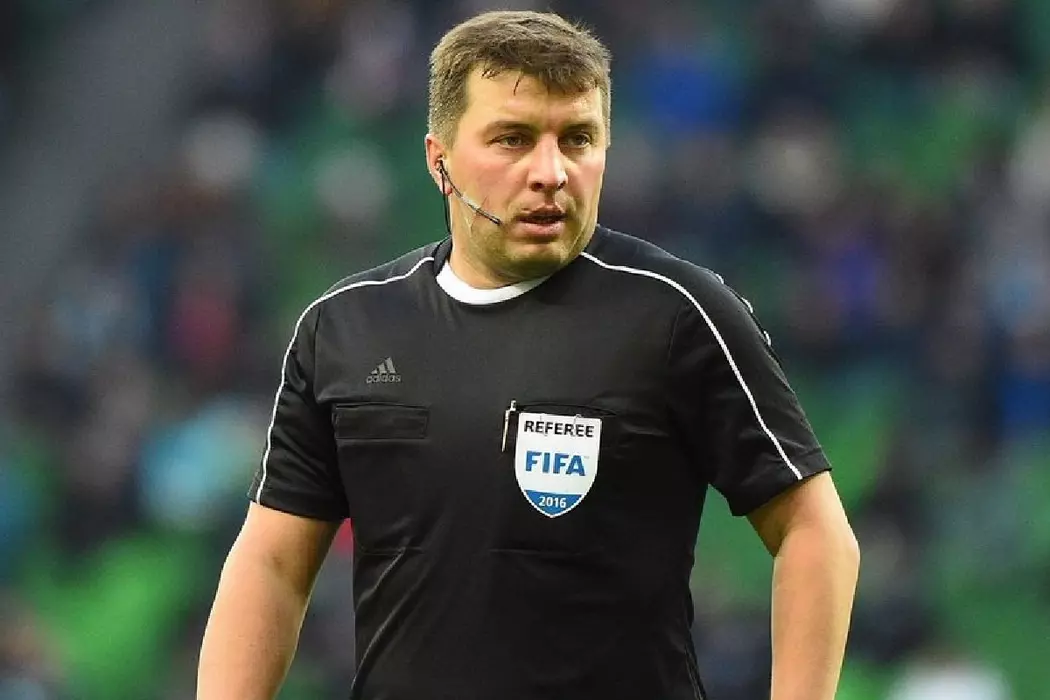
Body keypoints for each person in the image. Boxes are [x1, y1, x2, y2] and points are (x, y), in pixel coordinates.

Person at [197, 9, 860, 700]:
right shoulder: (345, 327)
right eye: (512, 139)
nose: (551, 171)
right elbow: (273, 563)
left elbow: (814, 533)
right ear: (439, 160)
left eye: (578, 139)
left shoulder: (678, 315)